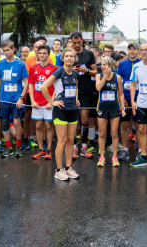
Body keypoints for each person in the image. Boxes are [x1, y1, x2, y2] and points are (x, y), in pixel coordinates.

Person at [41, 48, 80, 181]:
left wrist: (77, 99)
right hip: (61, 111)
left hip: (73, 109)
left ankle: (68, 168)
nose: (69, 58)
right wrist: (52, 102)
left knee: (70, 140)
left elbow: (75, 88)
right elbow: (43, 87)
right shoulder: (59, 72)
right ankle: (58, 170)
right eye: (67, 56)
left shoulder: (75, 74)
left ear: (74, 59)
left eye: (71, 56)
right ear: (62, 58)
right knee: (62, 141)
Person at [0, 41, 29, 157]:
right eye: (4, 51)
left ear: (13, 49)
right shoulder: (0, 64)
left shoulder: (20, 64)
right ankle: (8, 147)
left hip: (16, 99)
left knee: (17, 122)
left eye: (8, 50)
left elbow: (27, 82)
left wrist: (21, 98)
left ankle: (18, 146)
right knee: (4, 123)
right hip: (3, 99)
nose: (6, 53)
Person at [71, 32, 97, 159]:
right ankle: (74, 147)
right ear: (70, 42)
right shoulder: (68, 54)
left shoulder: (88, 53)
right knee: (74, 119)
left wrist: (87, 71)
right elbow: (59, 71)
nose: (76, 45)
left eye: (78, 42)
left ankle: (84, 146)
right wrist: (70, 70)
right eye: (74, 43)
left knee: (85, 118)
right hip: (70, 90)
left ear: (82, 41)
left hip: (86, 90)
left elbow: (95, 72)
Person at [95, 57, 126, 167]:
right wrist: (104, 77)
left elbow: (121, 93)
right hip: (102, 108)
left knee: (114, 133)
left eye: (105, 65)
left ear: (111, 66)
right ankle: (102, 156)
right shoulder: (98, 76)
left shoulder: (117, 77)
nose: (103, 66)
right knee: (102, 133)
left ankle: (114, 156)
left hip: (114, 108)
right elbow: (98, 88)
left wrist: (123, 108)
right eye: (102, 64)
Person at [29, 44, 57, 160]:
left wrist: (51, 101)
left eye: (44, 53)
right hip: (37, 103)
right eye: (40, 53)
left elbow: (57, 86)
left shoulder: (54, 69)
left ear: (48, 54)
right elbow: (31, 85)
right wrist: (32, 100)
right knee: (39, 126)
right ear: (37, 54)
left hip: (48, 104)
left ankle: (49, 149)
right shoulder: (33, 68)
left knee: (49, 126)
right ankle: (41, 149)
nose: (42, 55)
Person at [117, 43, 141, 161]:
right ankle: (125, 149)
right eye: (130, 49)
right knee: (125, 124)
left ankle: (141, 150)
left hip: (139, 98)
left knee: (139, 125)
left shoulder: (141, 63)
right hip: (125, 98)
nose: (132, 51)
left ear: (138, 51)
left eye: (134, 49)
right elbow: (118, 80)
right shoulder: (122, 63)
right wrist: (121, 99)